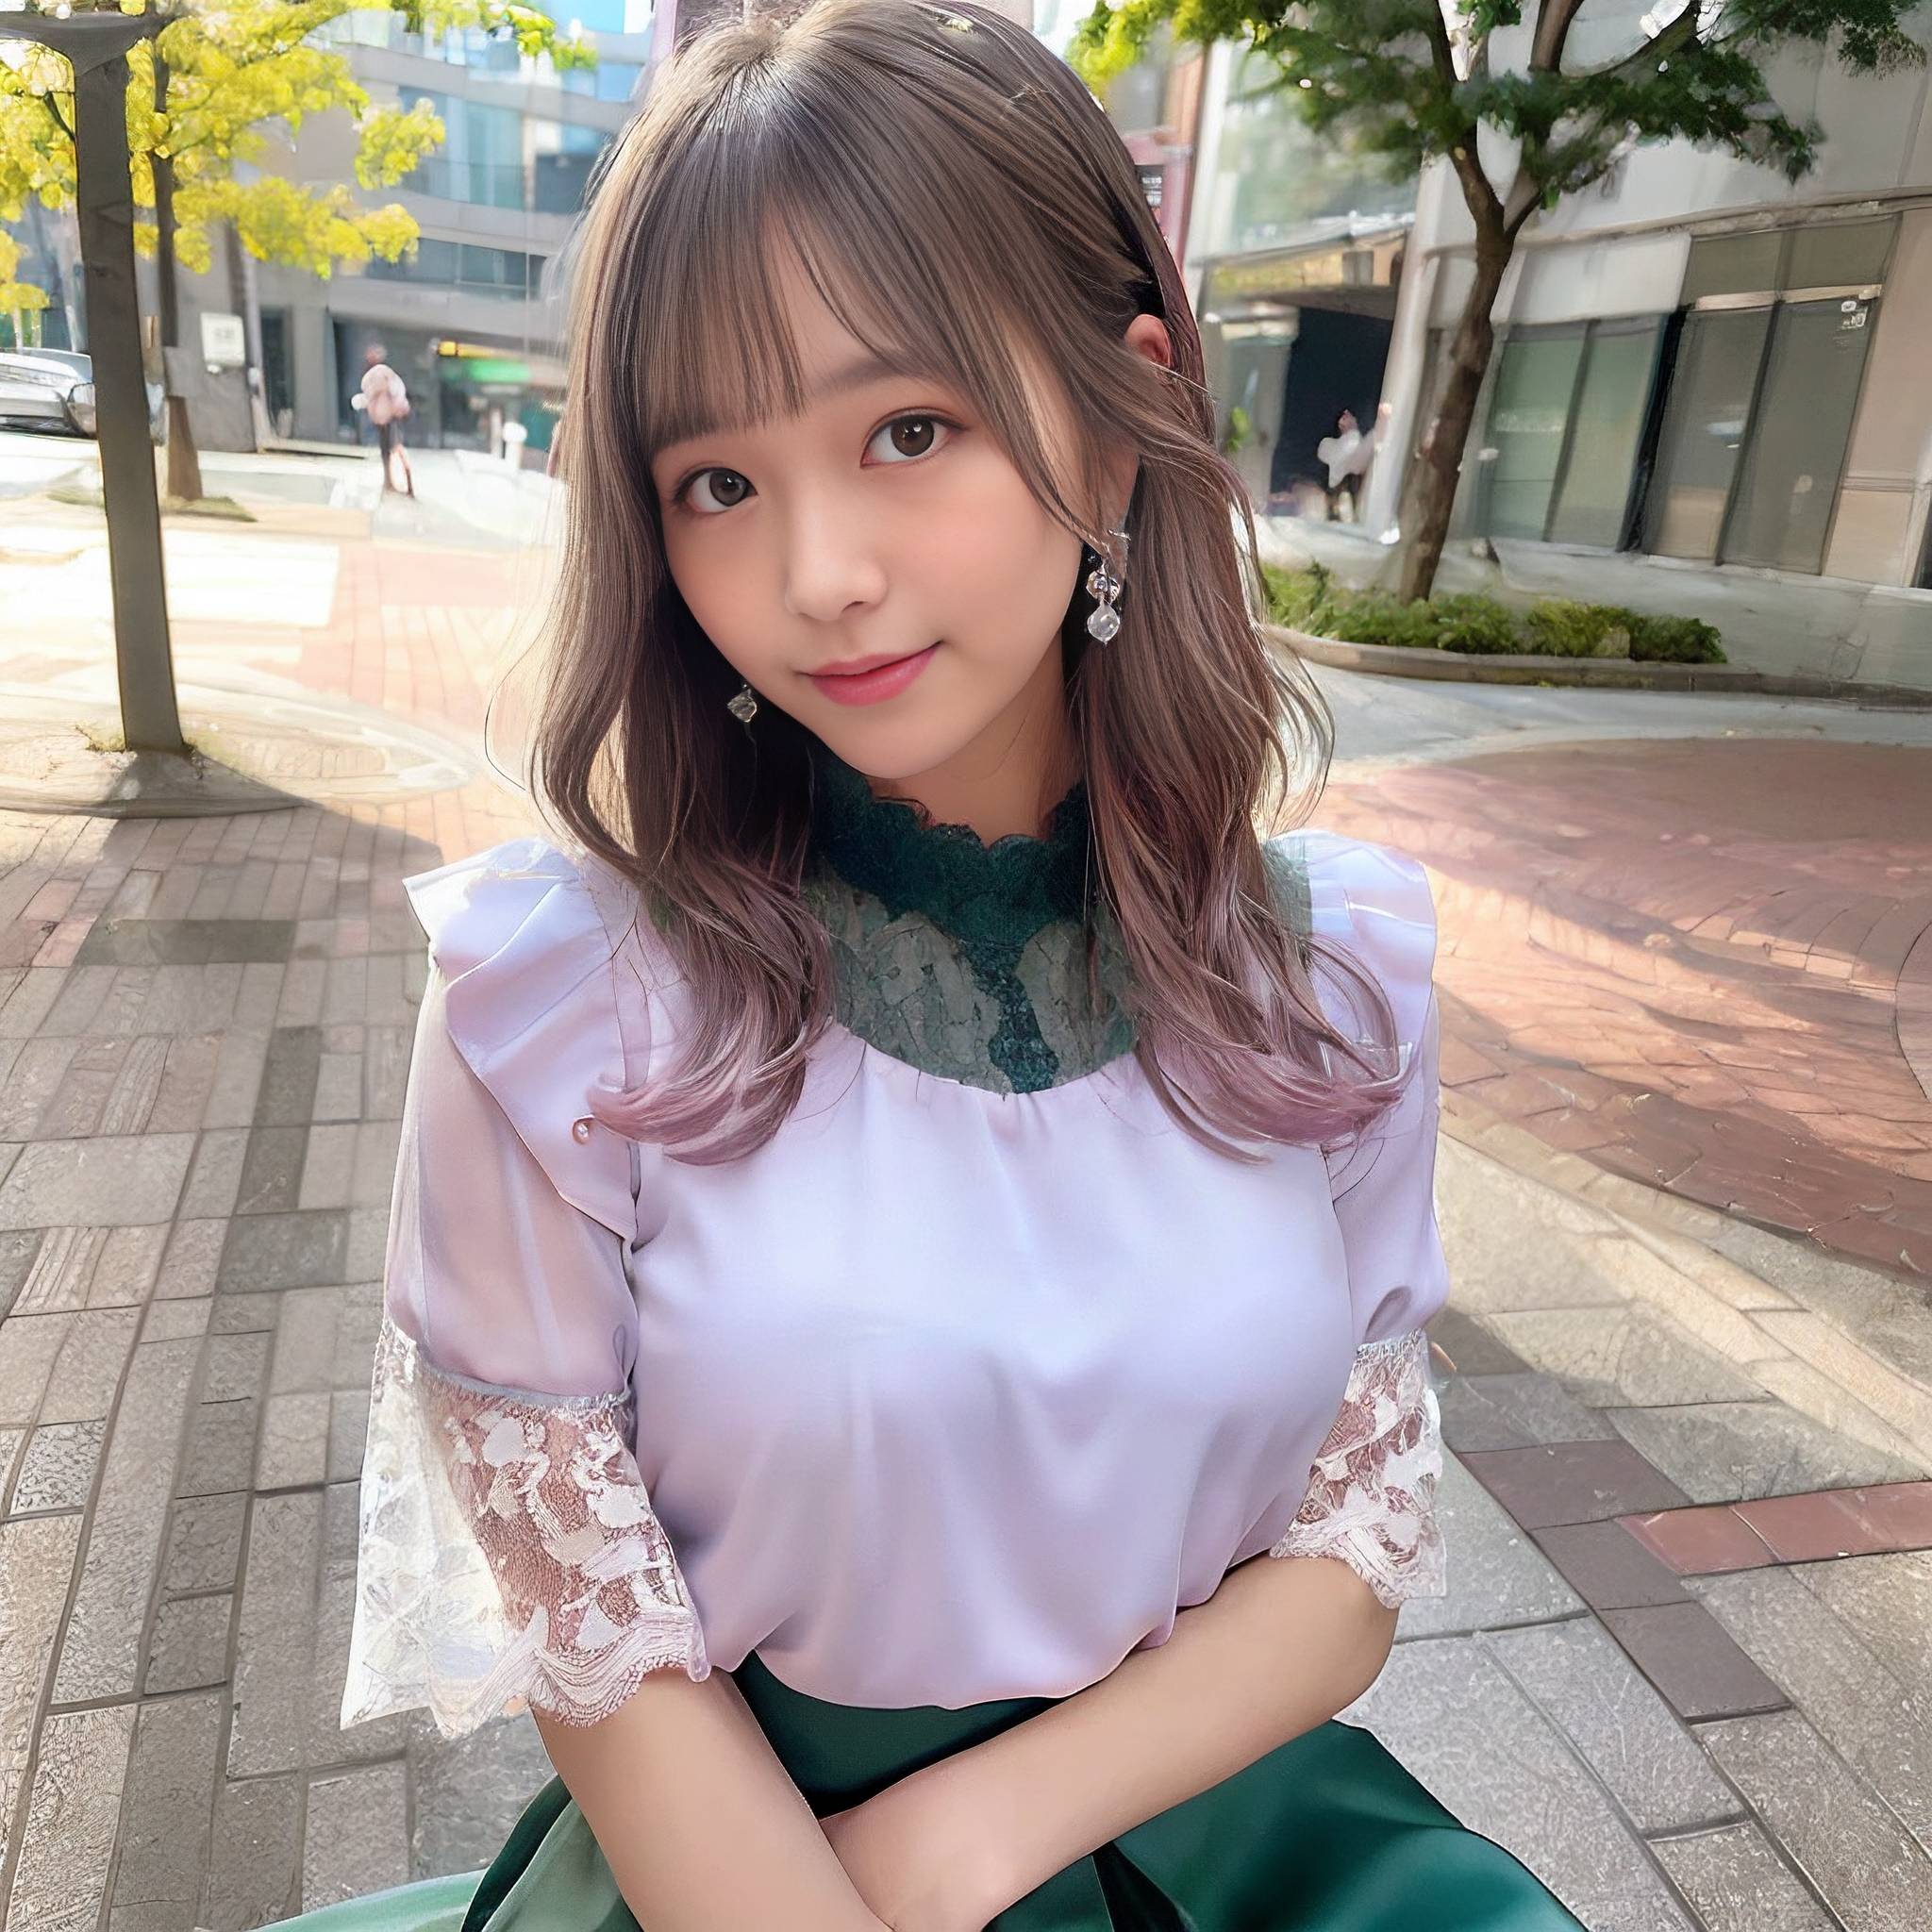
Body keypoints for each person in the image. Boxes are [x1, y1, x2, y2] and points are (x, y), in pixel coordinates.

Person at [268, 5, 1589, 1927]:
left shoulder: (1337, 974)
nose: (817, 573)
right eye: (715, 479)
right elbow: (601, 1641)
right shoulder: (555, 1008)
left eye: (908, 430)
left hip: (1225, 1837)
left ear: (1121, 411)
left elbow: (1353, 1538)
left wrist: (972, 1835)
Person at [353, 342, 415, 497]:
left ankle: (404, 483)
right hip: (384, 418)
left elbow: (384, 393)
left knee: (395, 448)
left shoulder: (382, 374)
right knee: (387, 450)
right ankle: (389, 481)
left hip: (389, 417)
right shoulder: (377, 374)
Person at [1315, 402, 1390, 522]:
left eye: (1348, 415)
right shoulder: (1332, 448)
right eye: (1342, 417)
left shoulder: (1354, 442)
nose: (1346, 416)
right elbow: (1356, 463)